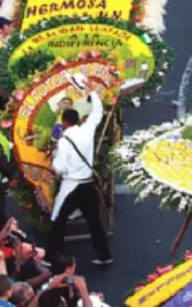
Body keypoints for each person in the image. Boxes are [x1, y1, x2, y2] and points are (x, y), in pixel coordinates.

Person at [46, 78, 113, 267]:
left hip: (71, 185)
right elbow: (98, 112)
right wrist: (91, 92)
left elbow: (60, 168)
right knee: (94, 222)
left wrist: (53, 164)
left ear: (64, 122)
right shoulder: (87, 130)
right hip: (87, 183)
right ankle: (104, 255)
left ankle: (52, 258)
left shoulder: (64, 141)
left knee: (58, 220)